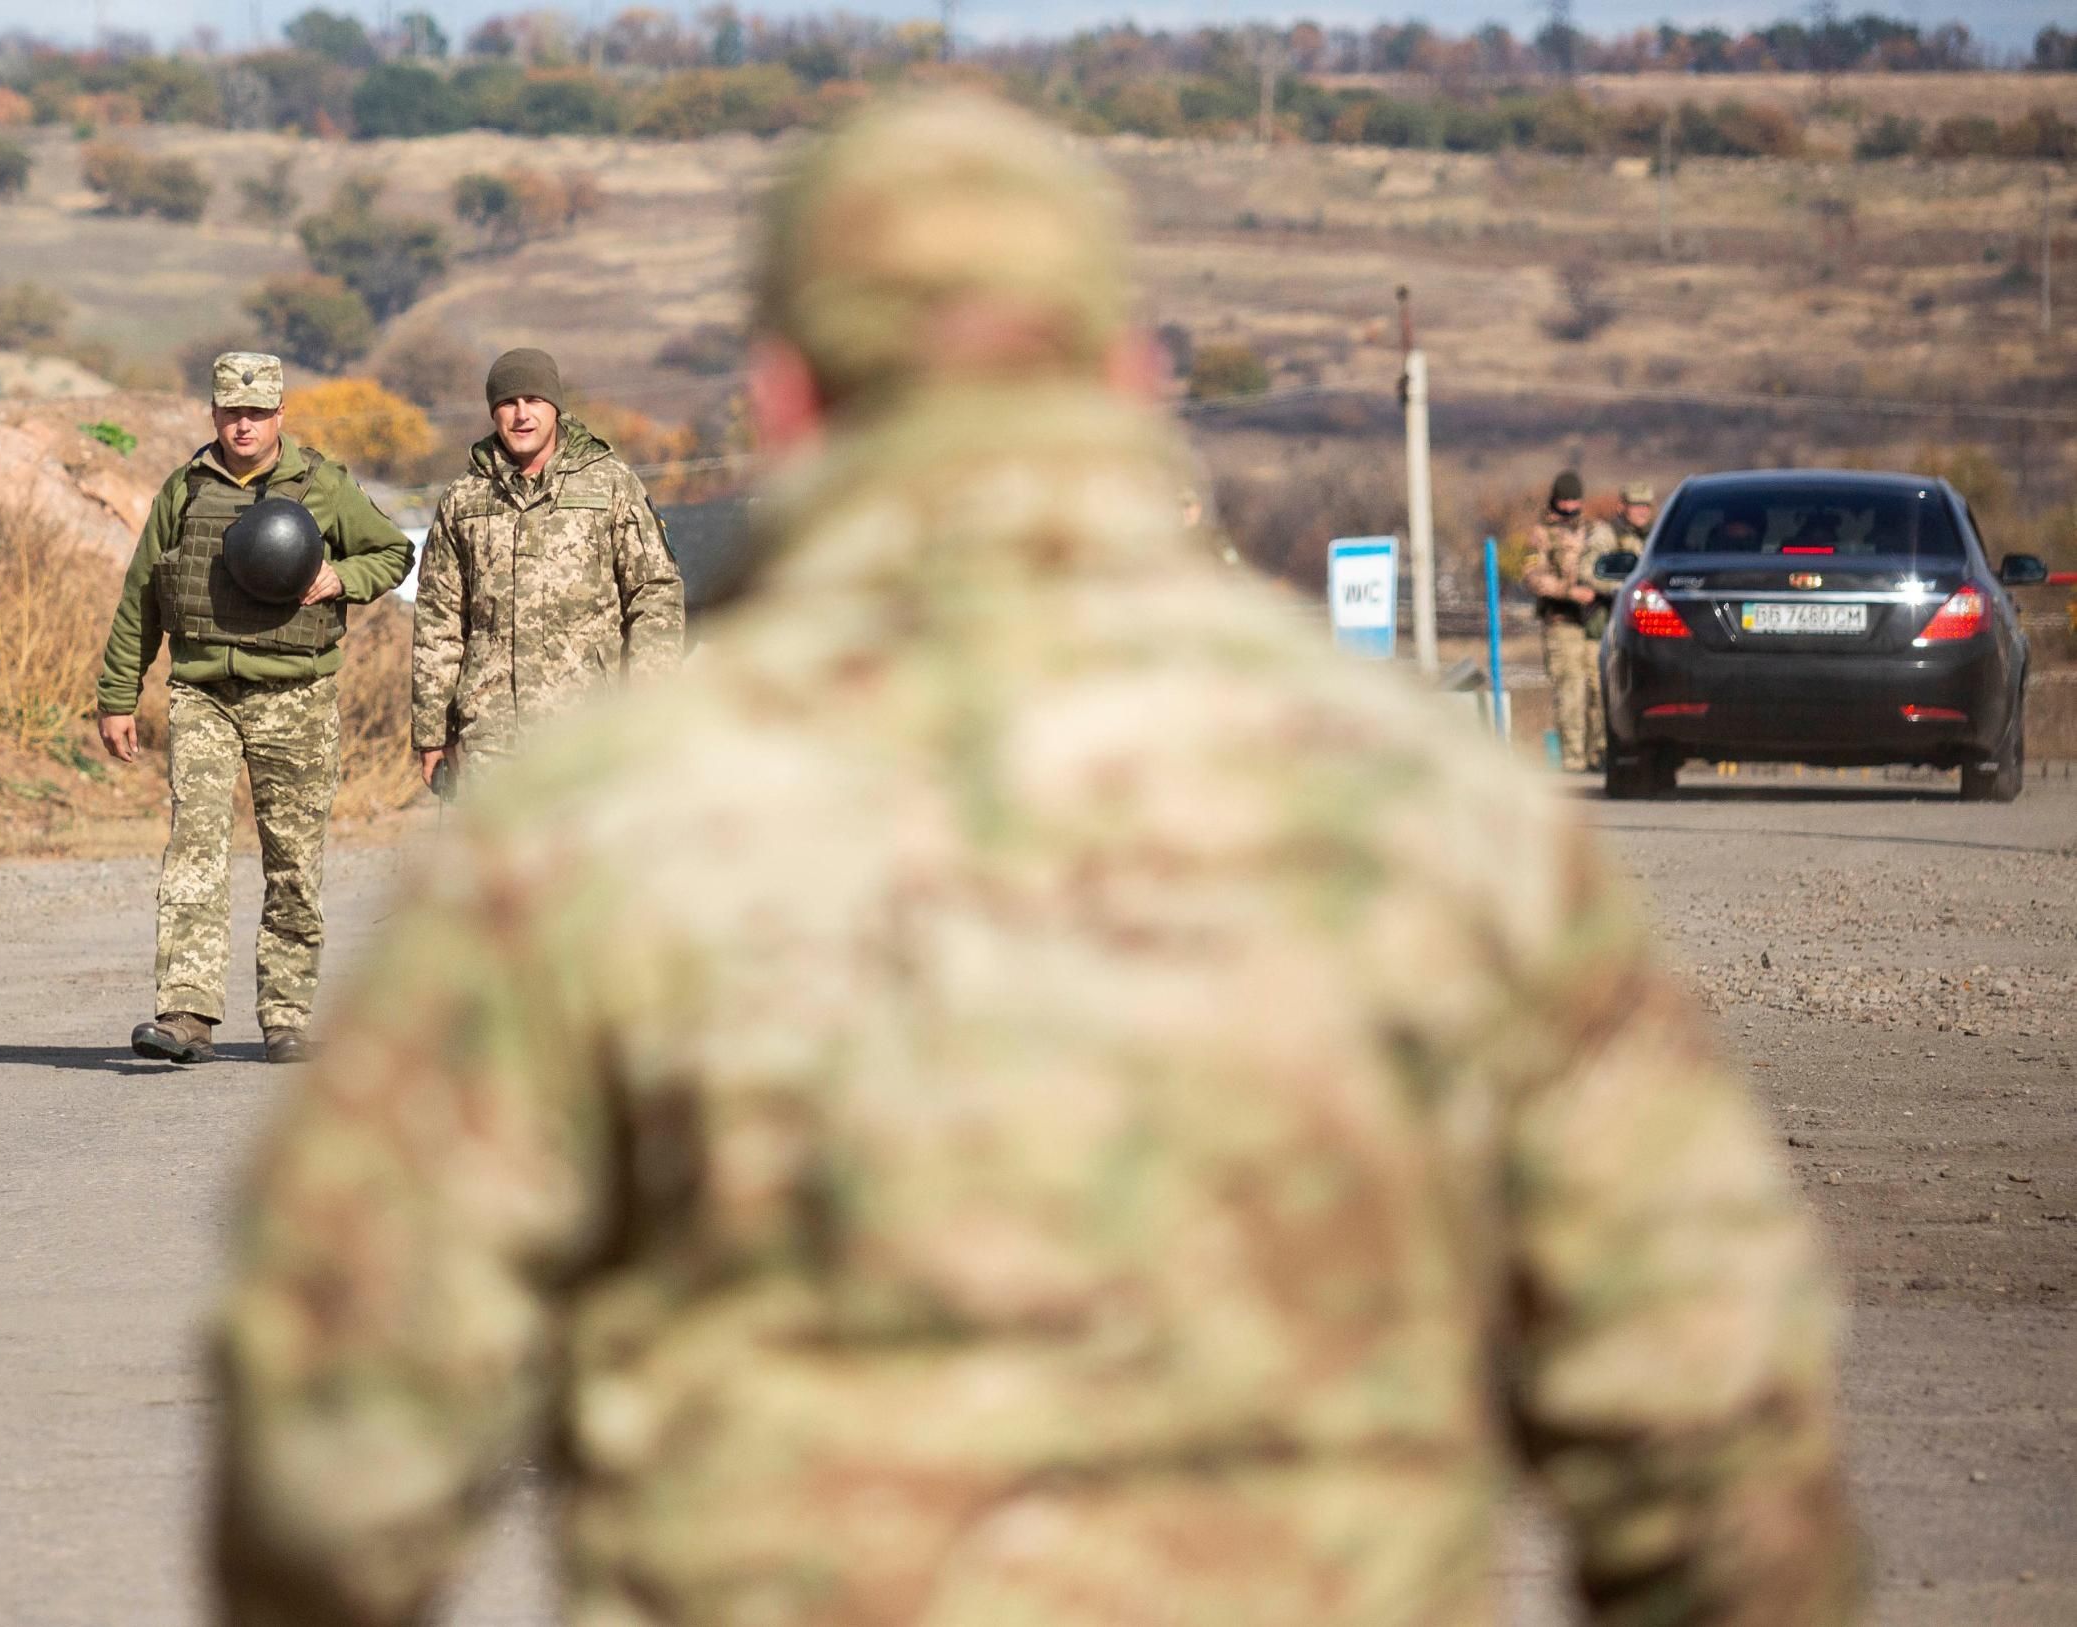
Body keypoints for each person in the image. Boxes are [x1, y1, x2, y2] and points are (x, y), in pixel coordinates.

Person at [210, 94, 1859, 1627]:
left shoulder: (585, 838)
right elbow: (1717, 1429)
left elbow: (329, 1465)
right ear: (1132, 378)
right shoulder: (1437, 813)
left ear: (785, 401)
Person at [94, 352, 415, 1066]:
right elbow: (142, 595)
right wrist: (118, 696)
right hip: (203, 692)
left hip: (296, 694)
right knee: (194, 851)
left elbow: (394, 553)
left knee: (294, 860)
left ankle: (287, 1014)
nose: (243, 425)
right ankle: (185, 1014)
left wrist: (341, 576)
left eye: (257, 412)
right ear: (213, 413)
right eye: (231, 411)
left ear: (280, 414)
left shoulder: (322, 485)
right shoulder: (184, 490)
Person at [411, 347, 686, 792]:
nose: (521, 414)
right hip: (491, 733)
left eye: (534, 400)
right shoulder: (463, 500)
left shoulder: (610, 484)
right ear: (493, 413)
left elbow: (654, 594)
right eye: (507, 403)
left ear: (555, 406)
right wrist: (431, 733)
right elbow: (438, 618)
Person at [1520, 469, 1611, 772]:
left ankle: (1600, 752)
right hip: (1561, 620)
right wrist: (1569, 592)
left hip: (1594, 621)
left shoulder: (1594, 529)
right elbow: (1533, 576)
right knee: (1570, 690)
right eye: (1565, 500)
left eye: (1575, 500)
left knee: (1600, 687)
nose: (1571, 506)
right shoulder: (1541, 533)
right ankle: (1573, 757)